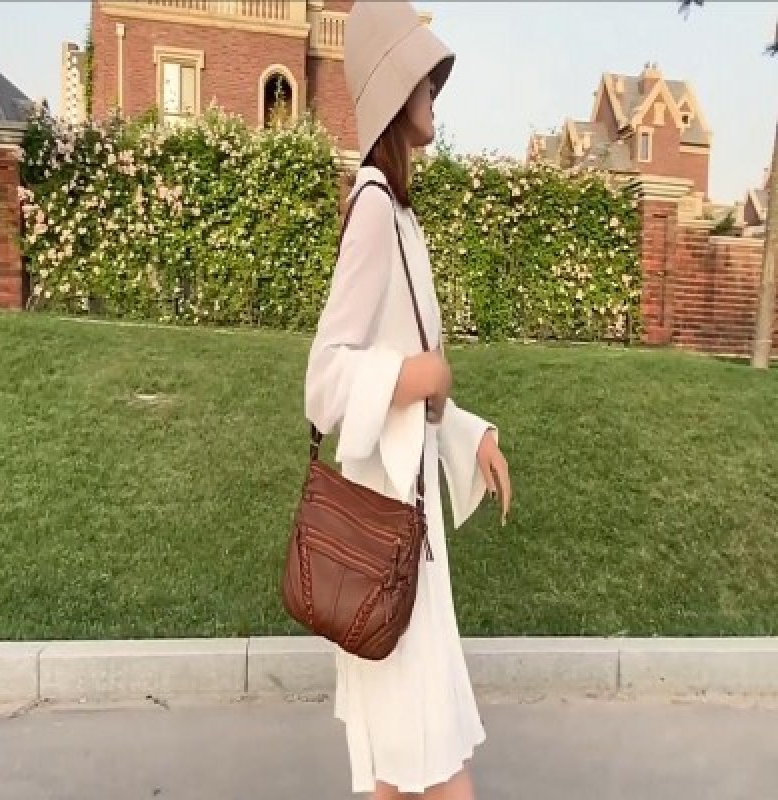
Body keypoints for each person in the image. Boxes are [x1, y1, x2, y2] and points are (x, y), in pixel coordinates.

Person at [304, 2, 512, 797]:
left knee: (403, 766)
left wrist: (471, 433)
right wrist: (417, 376)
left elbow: (413, 384)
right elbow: (325, 380)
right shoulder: (372, 210)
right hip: (384, 543)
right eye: (423, 77)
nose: (435, 92)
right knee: (434, 762)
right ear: (395, 87)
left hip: (403, 538)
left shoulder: (398, 216)